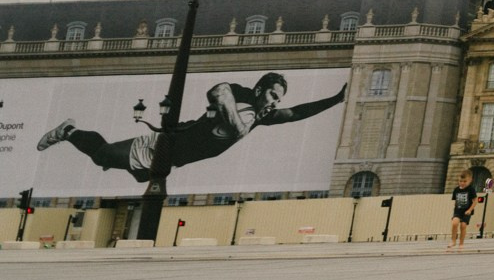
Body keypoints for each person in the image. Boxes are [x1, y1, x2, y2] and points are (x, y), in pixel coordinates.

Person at [37, 74, 345, 185]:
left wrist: (336, 98)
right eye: (272, 94)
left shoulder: (262, 117)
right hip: (164, 144)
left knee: (111, 162)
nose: (275, 101)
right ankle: (68, 131)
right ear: (260, 87)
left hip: (173, 157)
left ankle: (72, 133)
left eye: (278, 98)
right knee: (102, 155)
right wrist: (237, 127)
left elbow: (298, 113)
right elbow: (217, 91)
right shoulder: (239, 93)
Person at [448, 170, 478, 250]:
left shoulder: (471, 189)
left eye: (465, 181)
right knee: (454, 223)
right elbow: (455, 200)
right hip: (458, 210)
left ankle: (461, 243)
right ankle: (453, 240)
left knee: (463, 226)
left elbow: (475, 201)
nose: (462, 183)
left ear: (470, 180)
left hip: (467, 210)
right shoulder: (456, 190)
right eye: (461, 181)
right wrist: (456, 209)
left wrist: (470, 210)